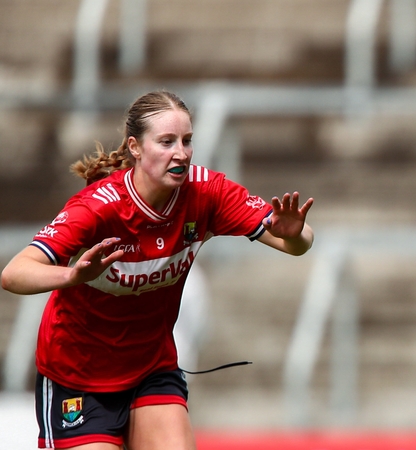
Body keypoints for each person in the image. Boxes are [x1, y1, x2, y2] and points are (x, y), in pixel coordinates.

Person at [0, 90, 314, 450]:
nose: (180, 153)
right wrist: (73, 276)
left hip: (152, 368)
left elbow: (296, 244)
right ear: (135, 147)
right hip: (78, 375)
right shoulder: (97, 208)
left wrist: (296, 234)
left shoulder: (207, 191)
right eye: (166, 142)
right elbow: (14, 273)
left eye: (186, 141)